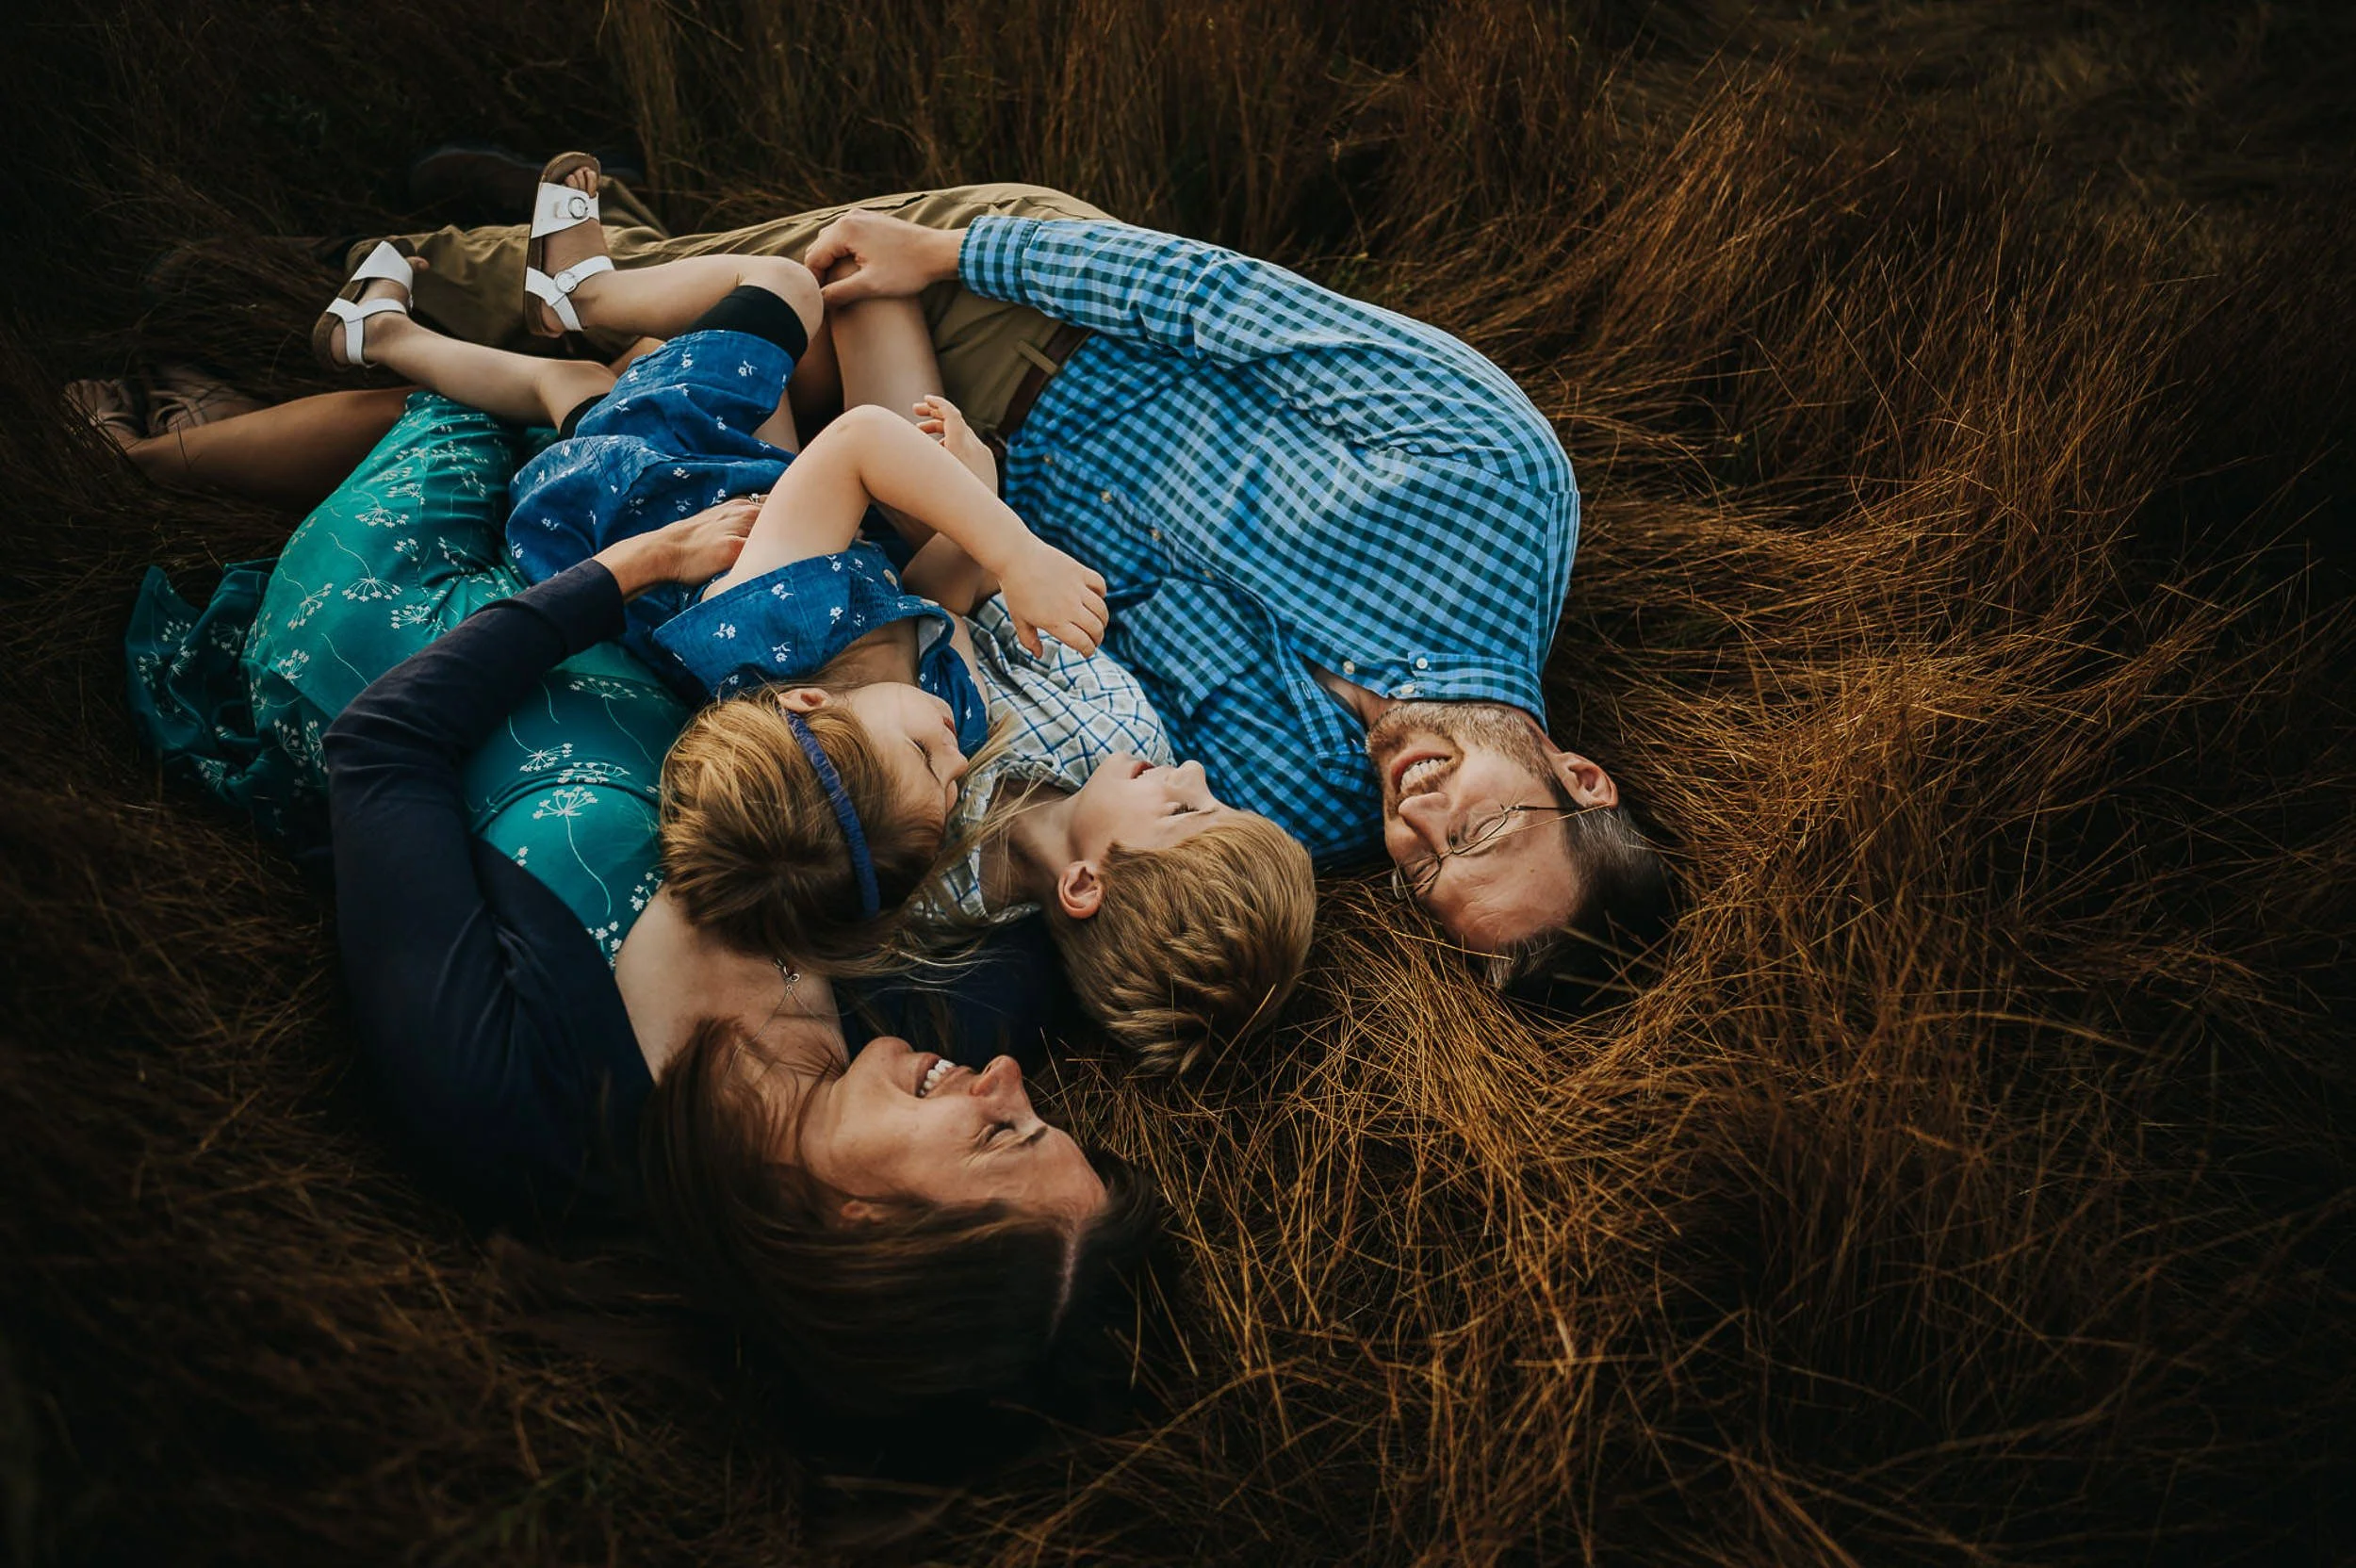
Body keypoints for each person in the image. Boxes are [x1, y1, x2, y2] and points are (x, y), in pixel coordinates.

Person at [381, 173, 1677, 999]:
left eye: (1423, 873)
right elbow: (1227, 303)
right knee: (775, 277)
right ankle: (423, 258)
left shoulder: (1294, 813)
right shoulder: (1499, 487)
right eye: (1482, 834)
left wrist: (962, 515)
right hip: (1041, 332)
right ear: (1582, 779)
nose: (1418, 824)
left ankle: (476, 321)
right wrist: (954, 254)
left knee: (667, 374)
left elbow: (1027, 684)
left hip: (937, 480)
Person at [317, 155, 1317, 1063]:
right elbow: (935, 615)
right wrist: (978, 506)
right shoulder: (1090, 737)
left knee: (682, 340)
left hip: (667, 499)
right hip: (808, 538)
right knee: (819, 303)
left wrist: (1004, 543)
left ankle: (542, 300)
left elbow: (872, 502)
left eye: (1186, 807)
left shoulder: (907, 852)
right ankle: (455, 319)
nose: (1196, 772)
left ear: (1084, 886)